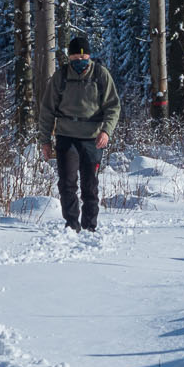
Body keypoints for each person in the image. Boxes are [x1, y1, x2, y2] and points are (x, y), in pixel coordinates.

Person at [39, 35, 121, 231]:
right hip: (66, 136)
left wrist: (106, 131)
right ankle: (72, 225)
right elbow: (47, 110)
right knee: (67, 183)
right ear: (69, 58)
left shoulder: (101, 75)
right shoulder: (60, 77)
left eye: (83, 59)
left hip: (93, 138)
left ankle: (90, 226)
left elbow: (113, 107)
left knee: (90, 185)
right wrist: (45, 141)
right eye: (74, 58)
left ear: (89, 57)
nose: (79, 62)